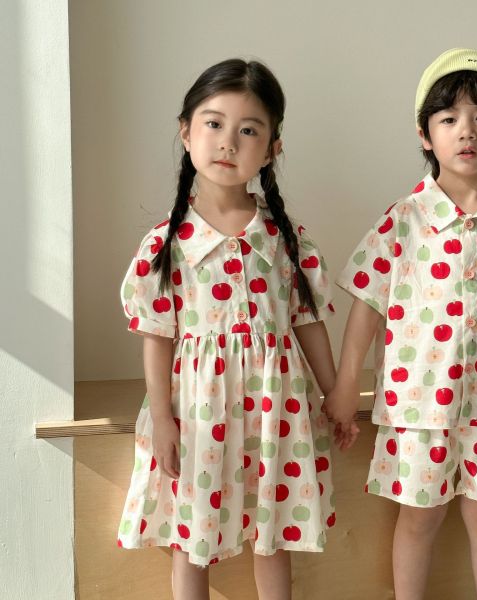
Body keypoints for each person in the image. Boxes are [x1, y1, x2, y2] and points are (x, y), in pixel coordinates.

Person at [326, 48, 477, 600]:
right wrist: (345, 385)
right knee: (419, 518)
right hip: (418, 407)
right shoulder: (402, 220)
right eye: (448, 118)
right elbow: (366, 306)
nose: (466, 131)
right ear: (424, 134)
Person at [116, 58, 337, 600]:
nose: (228, 142)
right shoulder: (166, 244)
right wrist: (162, 417)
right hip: (198, 412)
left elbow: (308, 323)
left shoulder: (285, 239)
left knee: (274, 533)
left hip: (276, 410)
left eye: (248, 130)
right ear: (186, 132)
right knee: (192, 536)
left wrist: (335, 394)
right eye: (213, 123)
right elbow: (157, 336)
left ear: (273, 147)